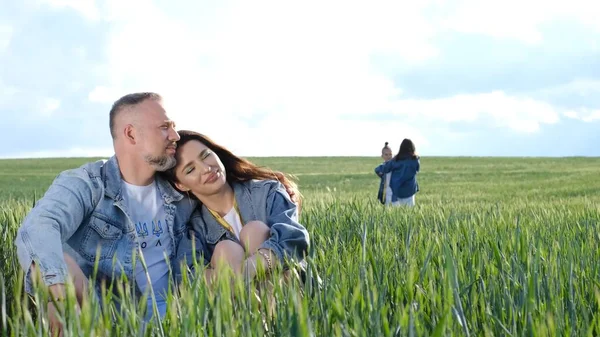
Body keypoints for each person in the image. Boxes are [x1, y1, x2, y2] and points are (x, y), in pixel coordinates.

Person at [13, 92, 299, 333]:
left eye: (173, 126)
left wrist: (277, 194)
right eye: (164, 127)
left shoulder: (179, 192)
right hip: (109, 316)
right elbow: (38, 229)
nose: (174, 135)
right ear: (131, 134)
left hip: (183, 311)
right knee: (54, 269)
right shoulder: (88, 184)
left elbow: (226, 197)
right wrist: (61, 287)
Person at [161, 130, 309, 284]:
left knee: (255, 231)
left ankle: (270, 302)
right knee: (226, 249)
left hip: (291, 288)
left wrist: (246, 270)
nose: (206, 168)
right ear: (181, 185)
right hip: (238, 300)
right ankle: (260, 303)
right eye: (191, 169)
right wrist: (228, 279)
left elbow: (292, 237)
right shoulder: (196, 228)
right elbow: (187, 277)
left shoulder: (267, 191)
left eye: (205, 156)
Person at [374, 138, 420, 207]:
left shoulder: (396, 160)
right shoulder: (415, 160)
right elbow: (417, 170)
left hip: (397, 191)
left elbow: (384, 168)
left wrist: (378, 170)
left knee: (396, 212)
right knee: (410, 211)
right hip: (410, 190)